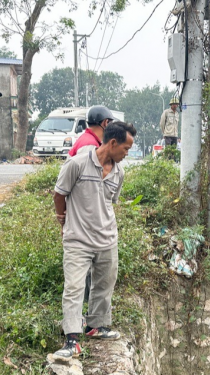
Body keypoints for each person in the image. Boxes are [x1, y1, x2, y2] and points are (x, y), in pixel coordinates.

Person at [52, 122, 136, 361]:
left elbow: (108, 203)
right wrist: (63, 221)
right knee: (74, 287)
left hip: (107, 239)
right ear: (112, 143)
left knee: (104, 283)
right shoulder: (77, 163)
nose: (126, 153)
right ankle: (72, 340)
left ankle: (97, 326)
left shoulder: (119, 172)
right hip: (78, 239)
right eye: (126, 148)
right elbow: (60, 194)